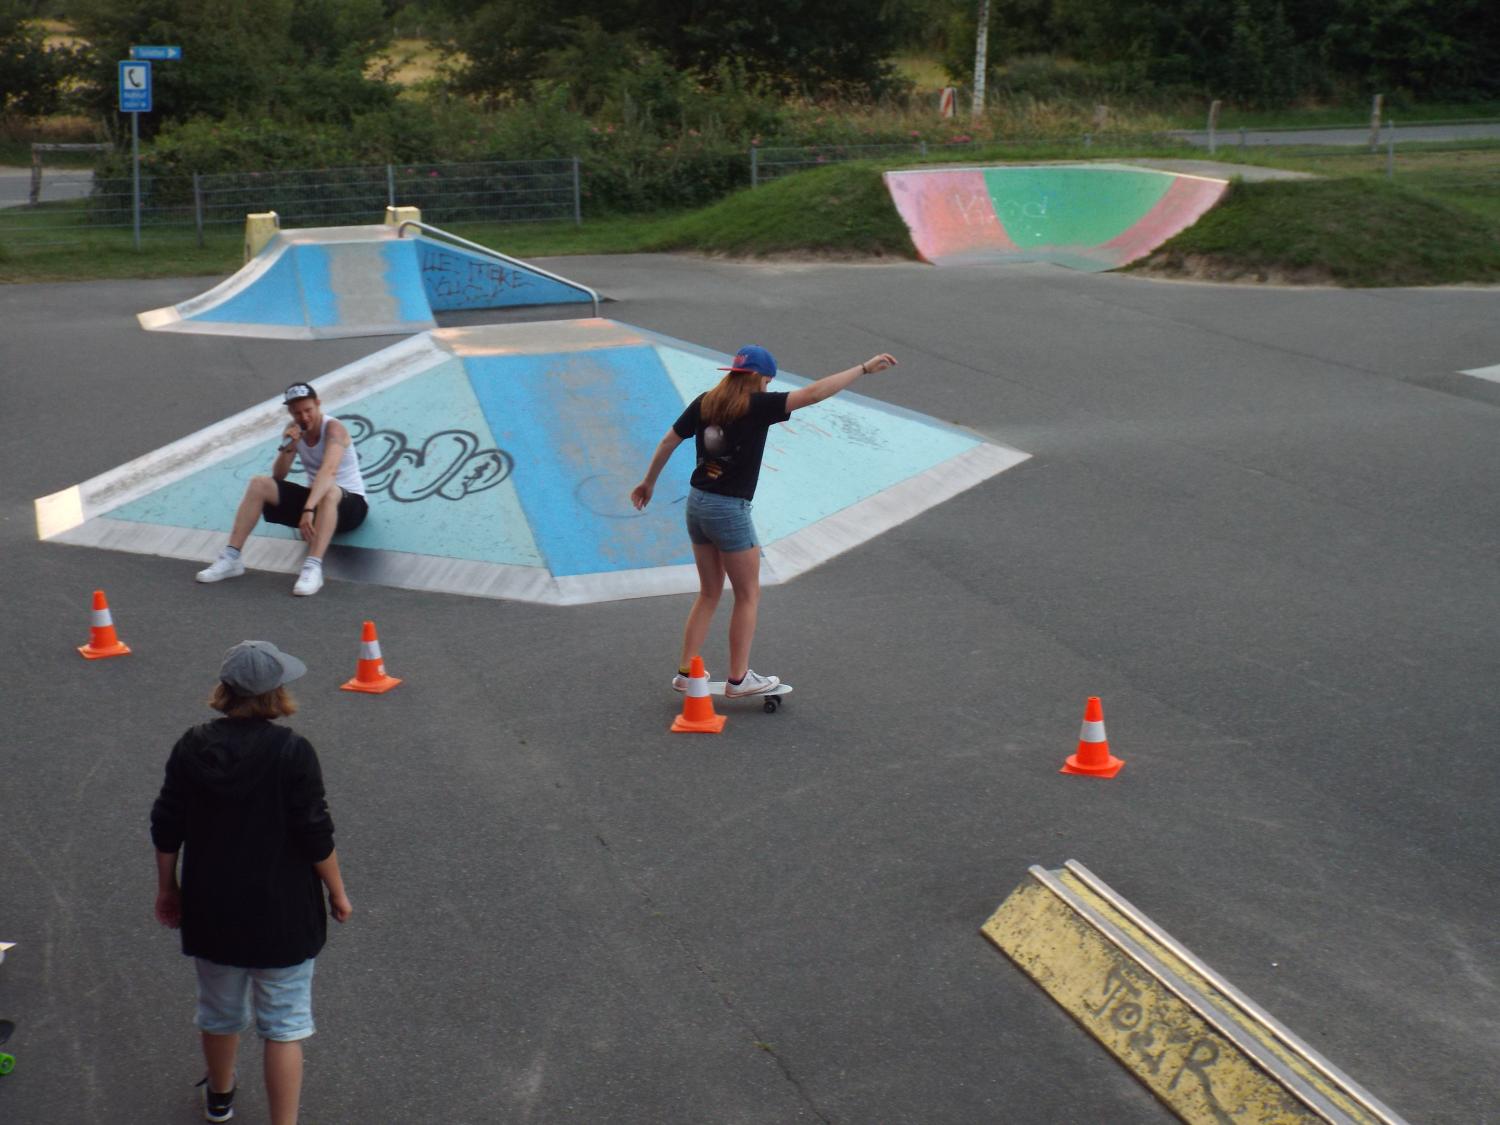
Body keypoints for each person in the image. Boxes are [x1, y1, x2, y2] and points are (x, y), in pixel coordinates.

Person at [151, 641, 352, 1125]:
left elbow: (167, 824)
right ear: (276, 693)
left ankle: (220, 1097)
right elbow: (315, 834)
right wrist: (337, 892)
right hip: (283, 914)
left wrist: (168, 888)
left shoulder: (192, 745)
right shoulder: (292, 751)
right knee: (284, 1024)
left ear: (225, 689)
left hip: (212, 908)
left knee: (219, 1012)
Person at [631, 344, 898, 695]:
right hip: (729, 510)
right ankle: (739, 679)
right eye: (768, 382)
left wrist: (648, 482)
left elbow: (669, 440)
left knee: (709, 592)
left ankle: (685, 672)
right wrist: (862, 368)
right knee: (747, 594)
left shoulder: (705, 402)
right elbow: (814, 393)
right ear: (760, 378)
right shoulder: (757, 406)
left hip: (697, 503)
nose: (768, 388)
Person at [195, 383, 368, 596]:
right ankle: (231, 557)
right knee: (259, 484)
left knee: (329, 491)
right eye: (297, 413)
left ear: (318, 404)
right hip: (316, 503)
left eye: (308, 410)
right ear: (290, 412)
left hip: (350, 506)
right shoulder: (294, 430)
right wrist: (289, 448)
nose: (304, 417)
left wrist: (308, 509)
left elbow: (329, 471)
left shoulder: (334, 429)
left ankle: (313, 568)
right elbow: (278, 476)